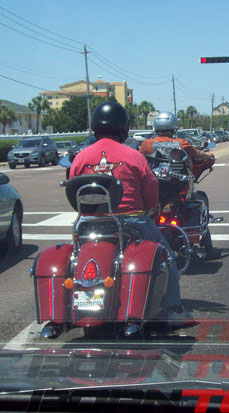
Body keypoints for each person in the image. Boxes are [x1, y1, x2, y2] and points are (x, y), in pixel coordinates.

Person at [70, 102, 193, 328]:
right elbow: (151, 193)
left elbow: (73, 191)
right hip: (130, 220)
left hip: (89, 223)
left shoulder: (81, 157)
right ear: (123, 127)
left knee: (73, 258)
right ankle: (174, 311)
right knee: (167, 256)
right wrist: (146, 208)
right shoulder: (133, 156)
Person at [140, 112, 221, 260]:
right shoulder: (181, 144)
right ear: (173, 127)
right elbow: (197, 155)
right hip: (178, 190)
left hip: (155, 191)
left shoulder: (146, 145)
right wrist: (209, 155)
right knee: (199, 202)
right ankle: (209, 249)